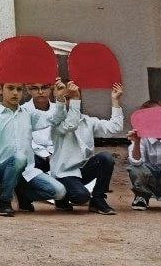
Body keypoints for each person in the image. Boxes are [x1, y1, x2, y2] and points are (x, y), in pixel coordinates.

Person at [0, 78, 67, 217]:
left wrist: (60, 98)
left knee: (60, 192)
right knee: (19, 157)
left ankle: (23, 195)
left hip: (28, 171)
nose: (15, 93)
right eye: (10, 88)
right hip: (2, 170)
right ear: (1, 89)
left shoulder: (28, 113)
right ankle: (4, 202)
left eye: (19, 89)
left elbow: (54, 118)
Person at [48, 81, 123, 215]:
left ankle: (98, 199)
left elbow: (115, 128)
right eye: (66, 98)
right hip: (63, 174)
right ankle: (62, 197)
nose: (70, 101)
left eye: (73, 97)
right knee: (81, 197)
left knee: (106, 158)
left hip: (83, 171)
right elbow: (71, 125)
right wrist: (73, 99)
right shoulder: (55, 122)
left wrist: (115, 100)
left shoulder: (88, 121)